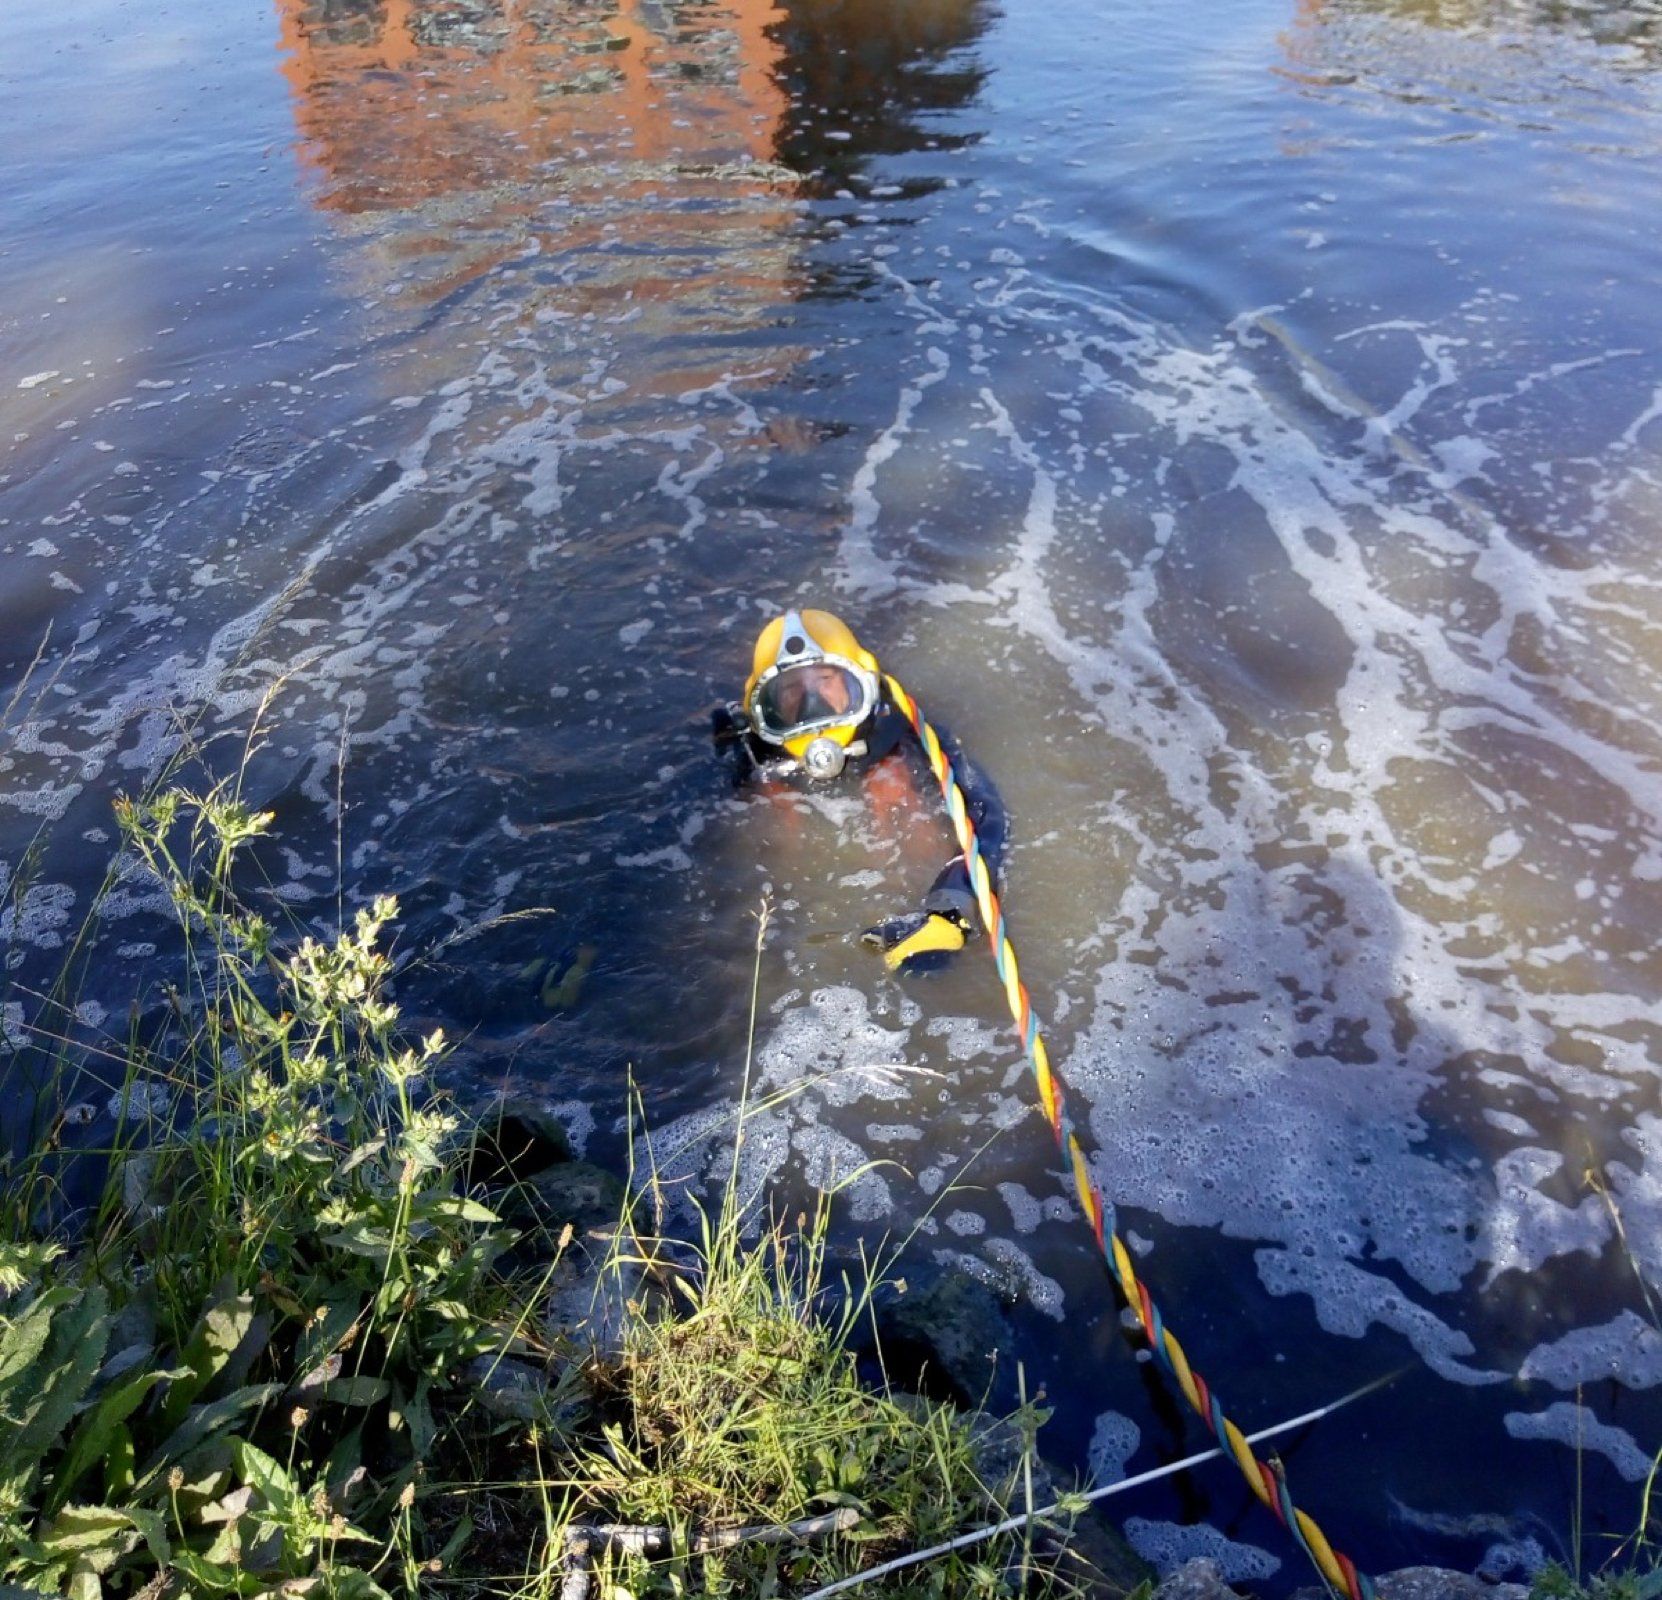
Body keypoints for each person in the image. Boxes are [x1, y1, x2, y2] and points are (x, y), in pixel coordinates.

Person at [713, 607, 1007, 973]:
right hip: (782, 782)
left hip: (879, 764)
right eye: (791, 690)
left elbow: (985, 814)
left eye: (825, 679)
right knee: (776, 833)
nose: (812, 701)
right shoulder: (757, 757)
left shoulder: (895, 730)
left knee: (893, 787)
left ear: (863, 681)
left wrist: (952, 909)